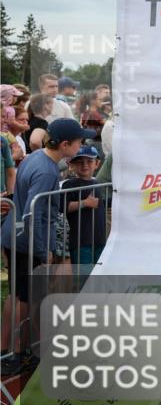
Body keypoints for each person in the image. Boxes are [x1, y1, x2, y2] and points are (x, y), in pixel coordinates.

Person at [0, 118, 95, 376]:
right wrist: (44, 251)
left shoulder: (36, 157)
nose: (80, 146)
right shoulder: (47, 171)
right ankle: (13, 353)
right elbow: (34, 213)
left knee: (17, 295)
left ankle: (9, 349)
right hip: (26, 240)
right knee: (24, 298)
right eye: (78, 142)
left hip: (16, 235)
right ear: (64, 144)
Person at [61, 145, 107, 267]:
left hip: (99, 240)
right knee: (84, 275)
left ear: (97, 164)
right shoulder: (69, 184)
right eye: (80, 162)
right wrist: (84, 203)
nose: (85, 165)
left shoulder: (97, 183)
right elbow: (62, 207)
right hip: (81, 242)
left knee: (99, 273)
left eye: (89, 161)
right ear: (72, 165)